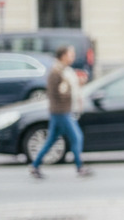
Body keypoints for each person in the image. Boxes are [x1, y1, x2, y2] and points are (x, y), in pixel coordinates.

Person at [31, 45, 93, 178]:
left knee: (51, 140)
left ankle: (35, 166)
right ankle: (79, 167)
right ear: (63, 56)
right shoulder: (56, 72)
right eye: (71, 54)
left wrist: (77, 85)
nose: (73, 57)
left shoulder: (64, 70)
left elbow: (67, 88)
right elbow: (54, 93)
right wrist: (69, 91)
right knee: (77, 137)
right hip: (61, 111)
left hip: (61, 111)